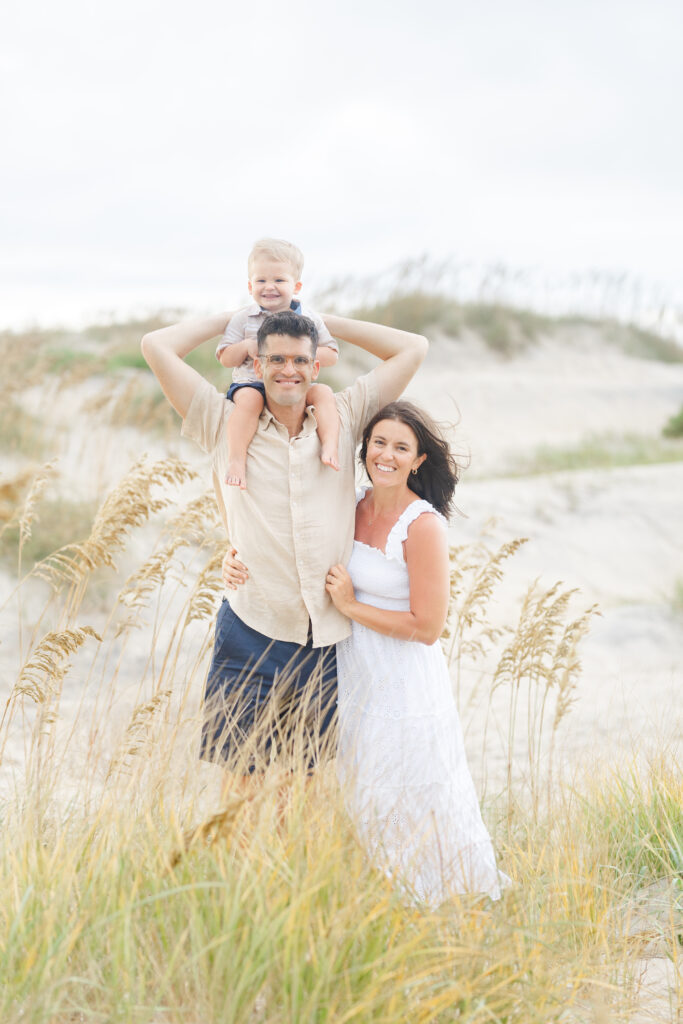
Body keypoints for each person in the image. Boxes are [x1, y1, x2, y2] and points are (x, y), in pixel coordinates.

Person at [141, 306, 427, 779]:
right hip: (251, 625)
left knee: (303, 784)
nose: (287, 370)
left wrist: (327, 320)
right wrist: (231, 318)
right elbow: (155, 346)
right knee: (241, 785)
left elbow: (413, 348)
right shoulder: (223, 421)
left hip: (324, 639)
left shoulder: (348, 417)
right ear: (257, 365)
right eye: (275, 360)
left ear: (316, 367)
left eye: (299, 360)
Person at [323, 401, 505, 906]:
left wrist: (350, 606)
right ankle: (380, 899)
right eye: (379, 442)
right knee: (364, 789)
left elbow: (427, 627)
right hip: (355, 676)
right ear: (364, 449)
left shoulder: (422, 526)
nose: (387, 454)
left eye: (401, 447)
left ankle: (429, 900)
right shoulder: (349, 504)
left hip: (404, 682)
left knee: (408, 790)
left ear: (418, 460)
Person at [217, 238, 341, 489]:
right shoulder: (244, 318)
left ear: (296, 286)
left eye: (279, 280)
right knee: (251, 402)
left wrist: (301, 353)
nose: (269, 287)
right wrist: (246, 347)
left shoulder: (309, 318)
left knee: (324, 393)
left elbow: (332, 354)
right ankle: (237, 460)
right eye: (261, 281)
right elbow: (224, 357)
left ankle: (330, 445)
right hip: (252, 383)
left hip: (294, 383)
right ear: (250, 285)